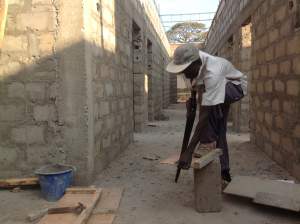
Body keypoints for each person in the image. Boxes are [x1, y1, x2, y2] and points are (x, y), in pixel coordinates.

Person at [166, 43, 246, 182]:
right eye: (182, 71)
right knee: (219, 129)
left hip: (233, 88)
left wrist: (189, 151)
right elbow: (194, 83)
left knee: (208, 115)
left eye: (186, 70)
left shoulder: (212, 71)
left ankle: (207, 142)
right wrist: (191, 102)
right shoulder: (191, 65)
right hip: (214, 89)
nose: (185, 73)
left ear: (197, 63)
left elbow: (205, 113)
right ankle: (224, 172)